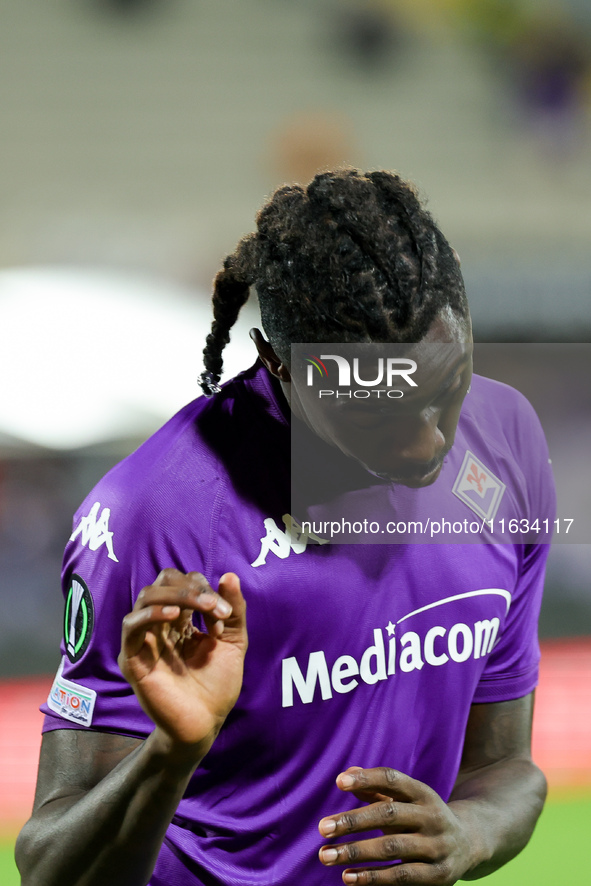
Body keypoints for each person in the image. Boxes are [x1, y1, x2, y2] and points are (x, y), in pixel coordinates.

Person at [16, 168, 555, 886]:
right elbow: (51, 870)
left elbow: (504, 767)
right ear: (278, 364)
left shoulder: (505, 447)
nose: (428, 441)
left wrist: (469, 833)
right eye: (376, 412)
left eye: (445, 387)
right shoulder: (156, 514)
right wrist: (171, 753)